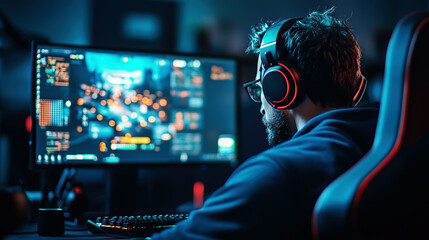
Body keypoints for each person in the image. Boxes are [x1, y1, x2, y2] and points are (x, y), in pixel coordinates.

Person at [150, 7, 378, 240]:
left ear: (281, 87)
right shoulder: (384, 144)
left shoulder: (278, 172)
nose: (261, 105)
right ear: (356, 90)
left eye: (261, 87)